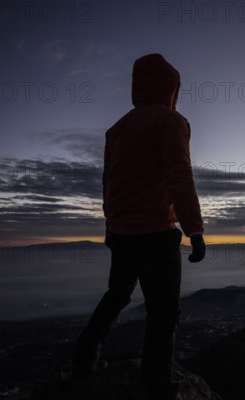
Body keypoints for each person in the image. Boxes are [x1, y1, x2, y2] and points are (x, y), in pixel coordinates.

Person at [64, 53, 205, 400]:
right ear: (172, 89)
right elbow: (179, 176)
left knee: (117, 295)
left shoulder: (118, 128)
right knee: (163, 311)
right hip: (157, 232)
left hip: (122, 232)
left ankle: (85, 357)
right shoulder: (170, 122)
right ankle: (157, 384)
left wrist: (112, 224)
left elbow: (108, 181)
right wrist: (195, 229)